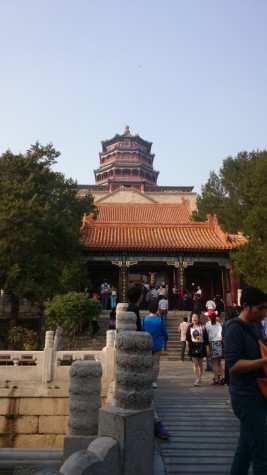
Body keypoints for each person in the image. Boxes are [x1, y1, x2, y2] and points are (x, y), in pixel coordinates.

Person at [224, 286, 267, 475]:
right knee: (262, 456)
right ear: (246, 306)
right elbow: (233, 365)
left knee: (245, 452)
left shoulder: (256, 326)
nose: (264, 313)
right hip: (245, 397)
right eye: (260, 308)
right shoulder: (234, 329)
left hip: (258, 393)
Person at [126, 284, 170, 439]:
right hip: (134, 357)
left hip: (133, 357)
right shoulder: (133, 312)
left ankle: (154, 422)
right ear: (140, 297)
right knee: (145, 390)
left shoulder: (133, 312)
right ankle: (155, 423)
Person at [142, 301, 168, 388]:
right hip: (157, 344)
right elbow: (165, 333)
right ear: (157, 309)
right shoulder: (160, 320)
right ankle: (154, 381)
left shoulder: (144, 319)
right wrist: (165, 343)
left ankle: (146, 378)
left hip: (146, 344)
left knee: (147, 362)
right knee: (156, 363)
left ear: (149, 309)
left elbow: (141, 331)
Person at [186, 313, 210, 386]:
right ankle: (197, 378)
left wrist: (208, 348)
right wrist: (187, 346)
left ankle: (199, 377)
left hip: (201, 345)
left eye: (196, 317)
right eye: (193, 317)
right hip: (193, 345)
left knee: (200, 363)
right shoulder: (190, 327)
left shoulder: (202, 327)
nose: (194, 318)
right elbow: (187, 338)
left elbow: (206, 338)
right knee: (195, 363)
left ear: (198, 319)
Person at [205, 310, 224, 385]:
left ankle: (216, 379)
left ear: (209, 317)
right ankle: (222, 377)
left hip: (212, 343)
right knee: (219, 362)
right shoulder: (219, 324)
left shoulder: (207, 325)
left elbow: (206, 336)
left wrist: (207, 347)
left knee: (214, 363)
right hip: (220, 342)